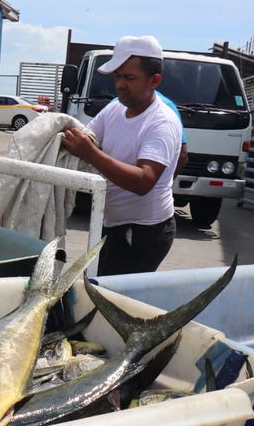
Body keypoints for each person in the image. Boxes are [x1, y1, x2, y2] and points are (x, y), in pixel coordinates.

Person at [61, 35, 182, 276]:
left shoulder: (162, 122)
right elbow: (87, 135)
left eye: (129, 78)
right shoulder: (115, 108)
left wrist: (91, 153)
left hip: (143, 233)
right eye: (117, 77)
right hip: (113, 224)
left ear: (154, 80)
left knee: (107, 299)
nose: (119, 85)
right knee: (93, 287)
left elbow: (143, 181)